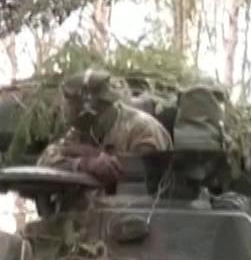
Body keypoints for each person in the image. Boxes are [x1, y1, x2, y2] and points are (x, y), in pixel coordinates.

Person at [37, 69, 172, 192]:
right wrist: (84, 164)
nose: (77, 126)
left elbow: (145, 182)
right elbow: (45, 162)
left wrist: (100, 161)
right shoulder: (80, 131)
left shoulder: (142, 129)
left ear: (89, 111)